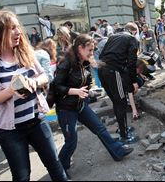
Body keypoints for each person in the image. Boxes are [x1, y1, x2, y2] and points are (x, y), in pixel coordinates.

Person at [0, 9, 68, 181]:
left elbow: (45, 76)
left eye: (18, 27)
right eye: (12, 28)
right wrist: (10, 91)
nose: (19, 32)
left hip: (37, 122)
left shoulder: (25, 52)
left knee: (55, 165)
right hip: (11, 131)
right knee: (22, 176)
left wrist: (34, 82)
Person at [54, 34, 134, 177]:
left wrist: (90, 91)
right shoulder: (65, 63)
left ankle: (118, 151)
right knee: (71, 141)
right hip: (66, 109)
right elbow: (56, 87)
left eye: (93, 50)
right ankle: (60, 168)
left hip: (80, 105)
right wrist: (75, 91)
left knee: (100, 128)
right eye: (90, 50)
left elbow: (84, 82)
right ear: (80, 48)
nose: (92, 53)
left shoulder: (83, 62)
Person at [98, 22, 139, 143]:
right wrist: (133, 81)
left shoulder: (113, 37)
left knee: (116, 101)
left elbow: (101, 55)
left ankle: (123, 129)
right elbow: (132, 62)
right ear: (134, 31)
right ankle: (124, 135)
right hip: (113, 71)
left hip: (102, 70)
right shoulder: (132, 39)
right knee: (121, 102)